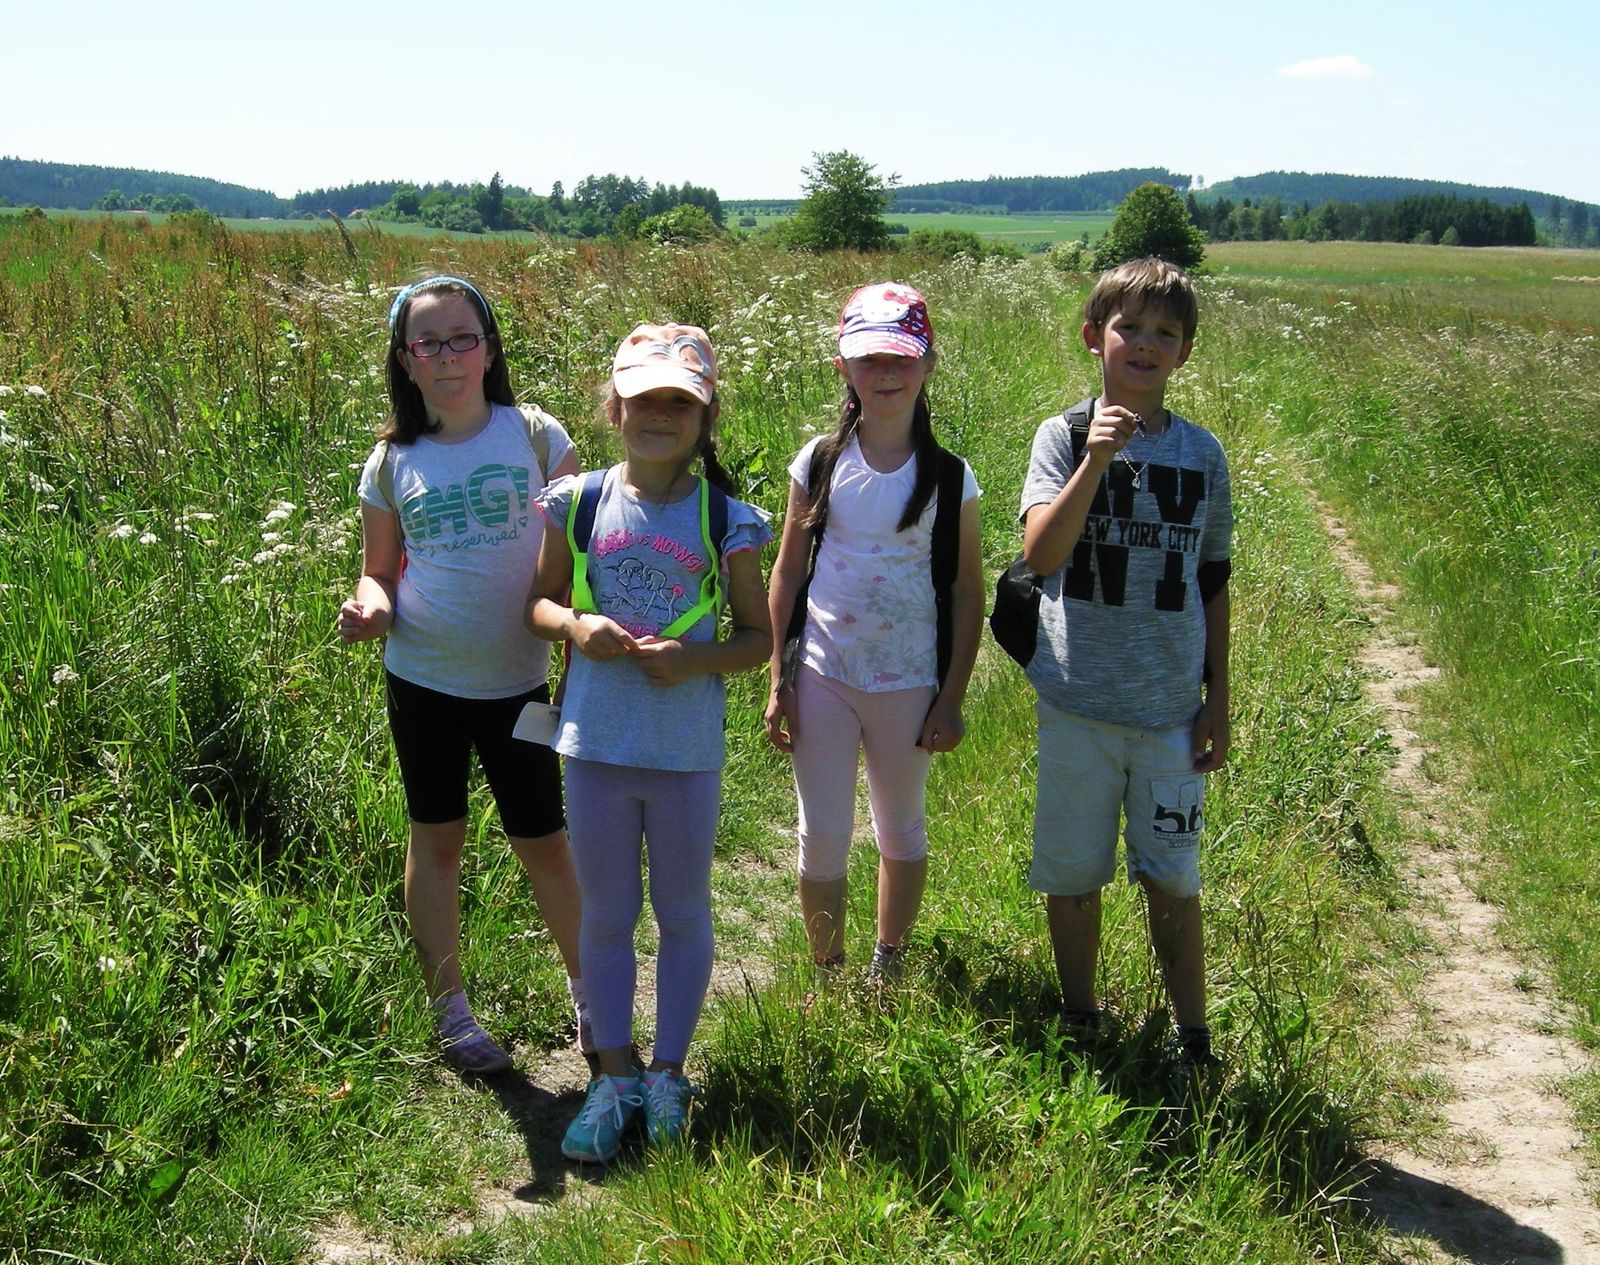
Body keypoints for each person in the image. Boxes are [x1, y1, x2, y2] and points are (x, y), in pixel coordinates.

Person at [527, 323, 773, 1163]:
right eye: (643, 400)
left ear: (706, 418)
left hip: (683, 754)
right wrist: (574, 622)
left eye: (680, 401)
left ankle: (668, 1072)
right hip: (593, 745)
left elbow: (757, 638)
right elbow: (541, 604)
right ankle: (611, 1074)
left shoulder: (727, 520)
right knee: (605, 914)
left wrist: (695, 659)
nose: (659, 415)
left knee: (682, 911)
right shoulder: (582, 501)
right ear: (615, 406)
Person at [339, 275, 588, 1076]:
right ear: (404, 361)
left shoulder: (539, 437)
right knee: (435, 837)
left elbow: (578, 563)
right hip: (422, 681)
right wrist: (370, 608)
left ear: (489, 348)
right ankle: (450, 1011)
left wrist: (583, 655)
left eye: (461, 337)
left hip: (520, 684)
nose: (446, 355)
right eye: (427, 342)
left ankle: (596, 995)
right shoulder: (391, 460)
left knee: (543, 841)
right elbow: (379, 571)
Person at [1017, 258, 1234, 1067]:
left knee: (1173, 878)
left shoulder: (1202, 455)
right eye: (1128, 328)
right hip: (1077, 703)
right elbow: (1042, 554)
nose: (1144, 345)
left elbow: (1213, 578)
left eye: (1165, 334)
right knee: (1073, 874)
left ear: (1184, 354)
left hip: (1171, 711)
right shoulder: (1063, 436)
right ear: (1092, 338)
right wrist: (1096, 460)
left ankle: (1193, 1038)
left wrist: (1219, 695)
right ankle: (1081, 1019)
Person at [764, 282, 984, 983]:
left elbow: (965, 590)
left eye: (902, 359)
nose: (886, 374)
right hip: (823, 677)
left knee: (900, 826)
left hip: (911, 682)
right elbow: (789, 572)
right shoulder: (819, 463)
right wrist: (779, 678)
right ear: (843, 369)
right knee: (822, 832)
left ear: (928, 365)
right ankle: (827, 971)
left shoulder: (951, 479)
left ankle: (887, 963)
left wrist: (950, 697)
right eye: (869, 359)